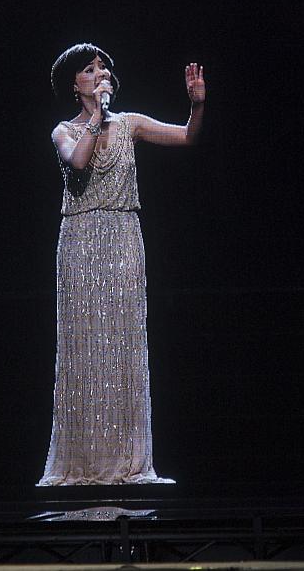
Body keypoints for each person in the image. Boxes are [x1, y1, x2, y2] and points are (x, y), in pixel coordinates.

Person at [38, 43, 205, 486]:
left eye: (103, 68)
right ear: (75, 85)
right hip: (80, 242)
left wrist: (197, 105)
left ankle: (129, 461)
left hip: (123, 238)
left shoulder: (129, 124)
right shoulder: (63, 131)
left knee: (124, 346)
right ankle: (83, 462)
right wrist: (97, 117)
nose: (100, 74)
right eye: (90, 70)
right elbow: (78, 164)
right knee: (86, 347)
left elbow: (188, 137)